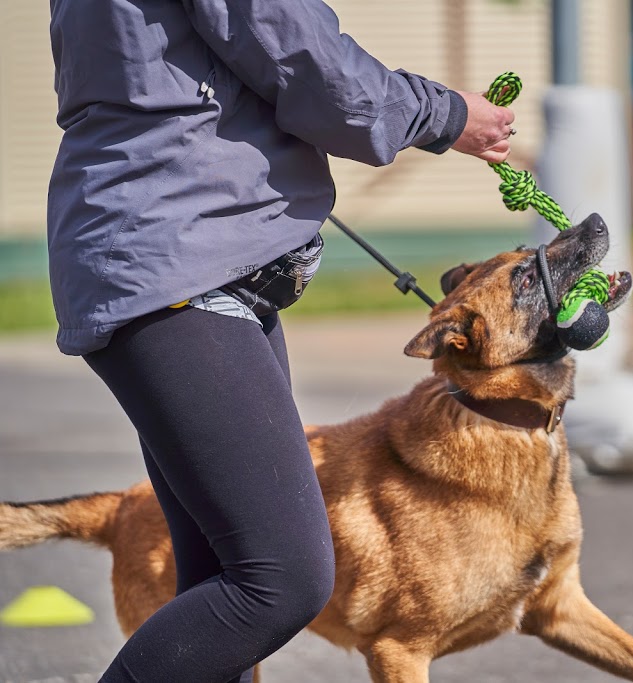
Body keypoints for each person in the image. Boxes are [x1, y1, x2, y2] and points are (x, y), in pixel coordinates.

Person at [46, 0, 515, 681]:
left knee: (223, 572)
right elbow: (308, 61)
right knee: (281, 579)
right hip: (177, 258)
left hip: (193, 257)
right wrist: (447, 114)